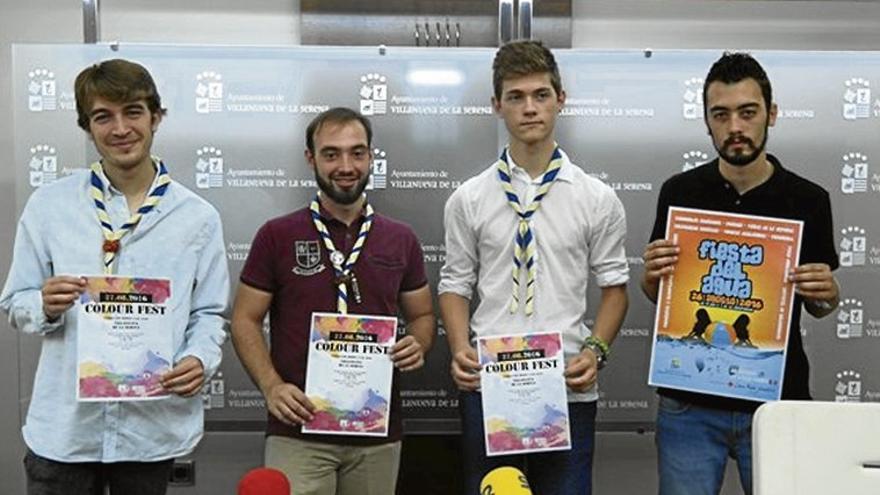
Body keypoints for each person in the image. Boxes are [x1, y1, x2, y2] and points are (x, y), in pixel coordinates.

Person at [0, 59, 229, 495]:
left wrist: (199, 358)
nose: (120, 128)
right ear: (87, 127)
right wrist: (43, 304)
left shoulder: (198, 218)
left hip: (150, 430)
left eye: (134, 112)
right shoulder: (49, 206)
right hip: (65, 434)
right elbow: (16, 301)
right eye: (103, 116)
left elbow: (211, 313)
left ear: (156, 117)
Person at [641, 52, 840, 495]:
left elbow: (822, 305)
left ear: (771, 114)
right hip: (688, 403)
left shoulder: (809, 199)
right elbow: (660, 293)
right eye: (721, 114)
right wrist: (652, 275)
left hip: (775, 401)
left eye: (747, 112)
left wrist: (828, 292)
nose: (735, 127)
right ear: (706, 122)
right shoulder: (680, 191)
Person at [438, 40, 629, 495]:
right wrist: (461, 349)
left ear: (560, 100)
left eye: (541, 95)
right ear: (496, 106)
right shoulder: (468, 198)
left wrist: (596, 351)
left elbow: (615, 288)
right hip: (489, 386)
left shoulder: (596, 198)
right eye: (516, 97)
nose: (530, 109)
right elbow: (454, 285)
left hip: (566, 385)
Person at [231, 107, 435, 495]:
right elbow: (244, 319)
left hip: (376, 430)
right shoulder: (277, 235)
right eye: (331, 153)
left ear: (371, 156)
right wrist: (272, 387)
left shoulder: (401, 238)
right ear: (311, 159)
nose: (346, 165)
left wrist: (420, 342)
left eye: (357, 152)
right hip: (298, 428)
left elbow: (423, 314)